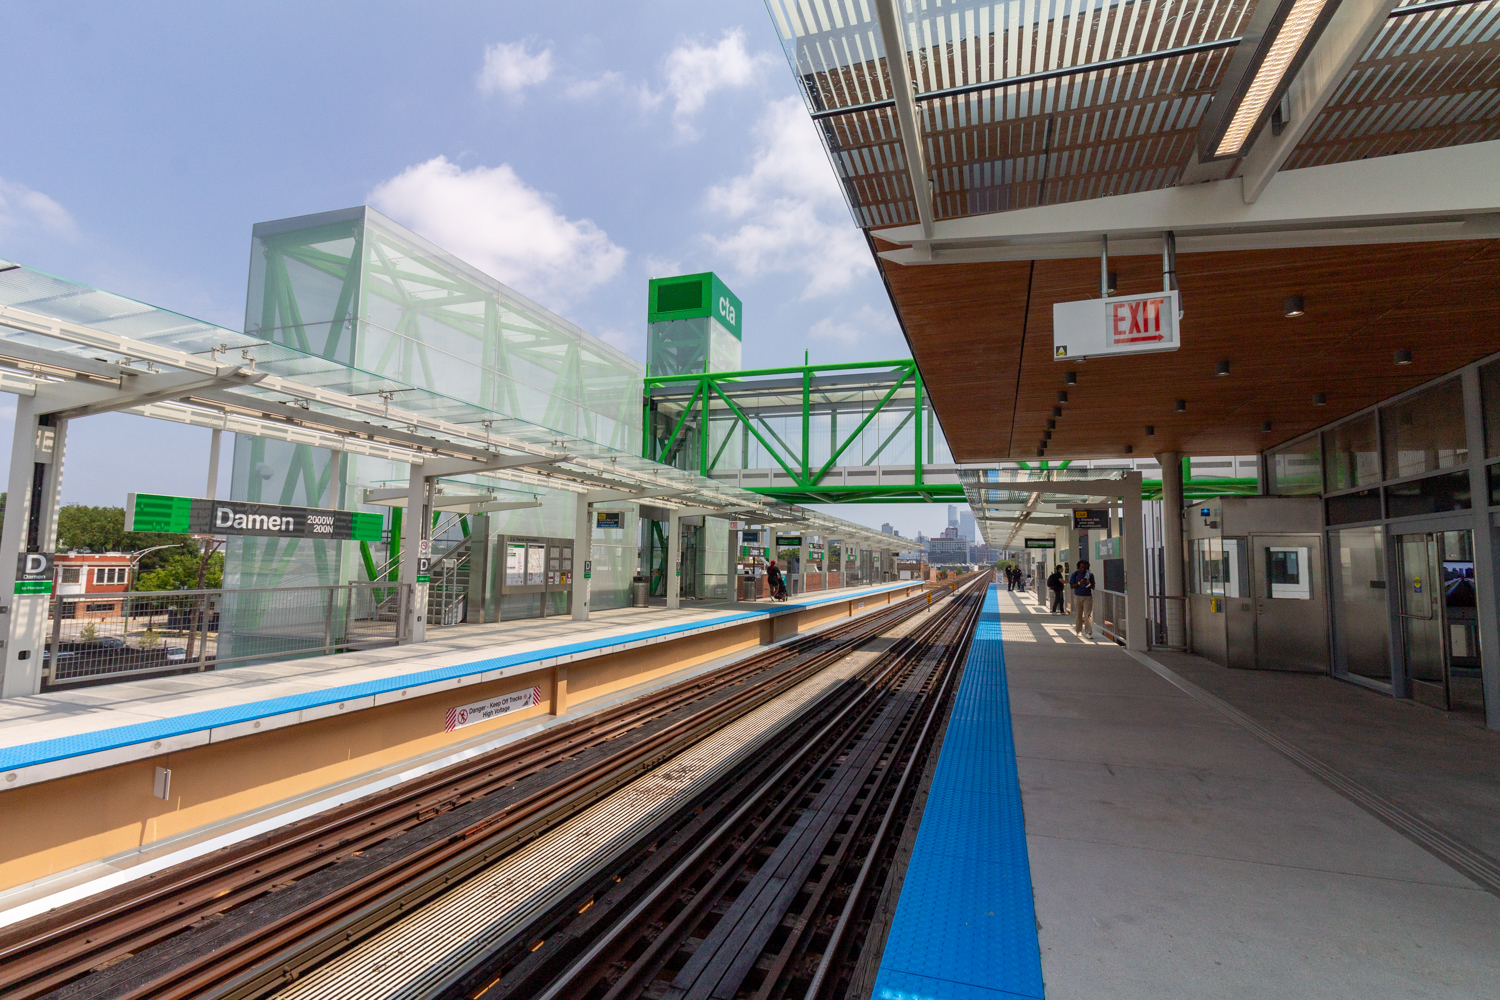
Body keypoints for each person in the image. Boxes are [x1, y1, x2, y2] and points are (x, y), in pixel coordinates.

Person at [1070, 560, 1096, 636]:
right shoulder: (1075, 574)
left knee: (1087, 615)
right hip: (1078, 596)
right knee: (1078, 614)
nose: (1083, 569)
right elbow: (1071, 586)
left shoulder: (1090, 575)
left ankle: (1088, 632)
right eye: (1081, 567)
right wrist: (1079, 583)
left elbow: (1093, 587)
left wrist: (1088, 583)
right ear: (1078, 567)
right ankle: (1078, 631)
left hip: (1088, 596)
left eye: (1085, 567)